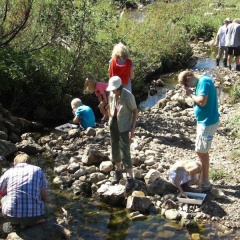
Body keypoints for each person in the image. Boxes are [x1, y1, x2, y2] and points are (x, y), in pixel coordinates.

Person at [178, 70, 220, 192]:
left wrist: (190, 95)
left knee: (201, 151)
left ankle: (205, 181)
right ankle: (202, 178)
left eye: (186, 84)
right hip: (204, 121)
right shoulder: (201, 82)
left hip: (208, 122)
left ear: (189, 78)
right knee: (201, 151)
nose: (188, 87)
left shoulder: (204, 82)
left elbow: (202, 101)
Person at [107, 76, 138, 194]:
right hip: (113, 123)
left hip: (125, 125)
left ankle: (130, 178)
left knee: (125, 150)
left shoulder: (128, 95)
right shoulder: (112, 95)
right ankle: (118, 171)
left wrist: (132, 128)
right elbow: (111, 108)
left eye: (114, 89)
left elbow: (135, 111)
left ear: (119, 87)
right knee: (114, 147)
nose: (112, 91)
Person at [0, 153, 47, 231]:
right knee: (45, 210)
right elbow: (44, 198)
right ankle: (36, 222)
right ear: (29, 162)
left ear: (15, 163)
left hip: (11, 216)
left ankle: (11, 220)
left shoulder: (9, 172)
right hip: (36, 216)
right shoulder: (38, 170)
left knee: (4, 197)